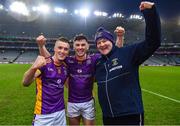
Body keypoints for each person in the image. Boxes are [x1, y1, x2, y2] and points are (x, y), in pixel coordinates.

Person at [36, 28, 125, 125]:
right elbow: (50, 60)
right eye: (77, 45)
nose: (80, 47)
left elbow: (114, 54)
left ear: (88, 46)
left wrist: (120, 37)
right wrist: (41, 46)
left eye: (83, 45)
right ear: (73, 47)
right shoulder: (68, 60)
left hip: (88, 102)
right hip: (72, 103)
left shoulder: (94, 59)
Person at [94, 1, 161, 125]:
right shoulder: (98, 64)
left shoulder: (128, 53)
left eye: (105, 40)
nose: (102, 44)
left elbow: (153, 42)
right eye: (98, 42)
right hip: (108, 117)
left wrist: (150, 13)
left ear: (111, 41)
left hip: (130, 115)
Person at [22, 37, 70, 126]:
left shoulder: (65, 67)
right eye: (60, 48)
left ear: (68, 52)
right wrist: (34, 67)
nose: (62, 51)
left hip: (60, 112)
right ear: (55, 49)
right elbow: (25, 82)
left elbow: (69, 86)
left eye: (65, 49)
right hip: (43, 114)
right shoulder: (44, 64)